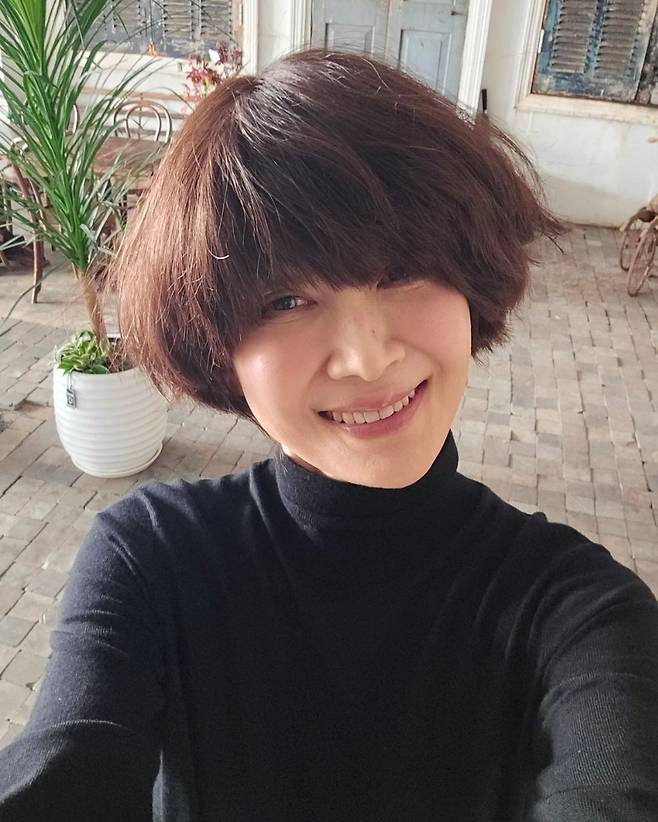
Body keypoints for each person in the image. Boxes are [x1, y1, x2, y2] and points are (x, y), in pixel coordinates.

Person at [0, 48, 657, 822]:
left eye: (401, 271)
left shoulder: (580, 610)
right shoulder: (151, 561)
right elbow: (71, 767)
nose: (367, 359)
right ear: (218, 348)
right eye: (286, 300)